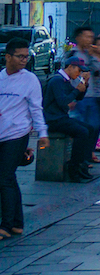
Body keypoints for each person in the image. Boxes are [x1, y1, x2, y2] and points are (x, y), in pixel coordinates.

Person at [0, 38, 48, 239]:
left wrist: (42, 133)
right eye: (20, 56)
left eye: (26, 56)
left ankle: (7, 224)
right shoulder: (1, 78)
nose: (24, 60)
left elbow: (36, 109)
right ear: (8, 56)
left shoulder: (30, 80)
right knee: (7, 179)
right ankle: (17, 223)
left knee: (5, 177)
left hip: (17, 134)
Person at [43, 57, 95, 182]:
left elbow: (78, 97)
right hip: (53, 119)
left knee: (90, 129)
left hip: (61, 117)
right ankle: (73, 166)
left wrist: (84, 85)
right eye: (78, 70)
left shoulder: (66, 81)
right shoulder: (57, 81)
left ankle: (82, 164)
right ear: (70, 67)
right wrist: (77, 89)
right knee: (81, 132)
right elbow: (63, 102)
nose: (79, 74)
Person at [66, 27, 100, 148]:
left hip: (94, 94)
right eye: (87, 37)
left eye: (91, 37)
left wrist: (93, 56)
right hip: (79, 97)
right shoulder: (73, 54)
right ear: (79, 38)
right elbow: (67, 77)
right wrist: (71, 98)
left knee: (94, 126)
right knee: (81, 126)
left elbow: (99, 71)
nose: (89, 40)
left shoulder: (90, 54)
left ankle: (89, 152)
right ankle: (81, 155)